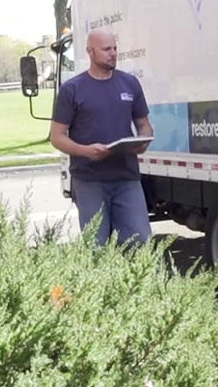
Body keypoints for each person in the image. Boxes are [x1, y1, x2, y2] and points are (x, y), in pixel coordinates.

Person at [49, 28, 154, 246]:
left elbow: (144, 125)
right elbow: (57, 137)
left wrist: (142, 141)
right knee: (96, 245)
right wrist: (86, 151)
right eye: (106, 49)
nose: (113, 53)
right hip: (89, 180)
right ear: (90, 52)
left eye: (115, 48)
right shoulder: (72, 90)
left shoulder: (130, 84)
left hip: (127, 177)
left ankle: (133, 280)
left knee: (140, 240)